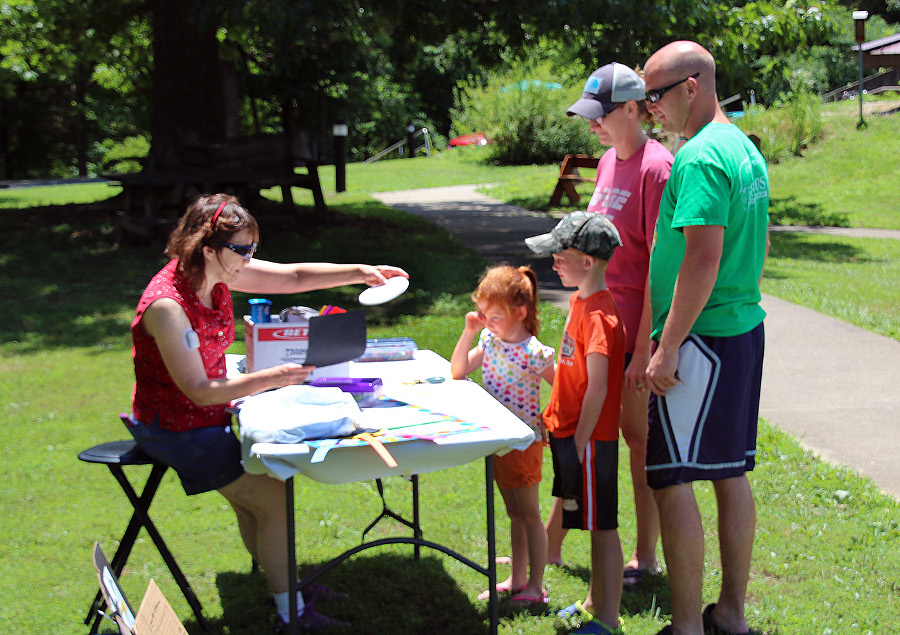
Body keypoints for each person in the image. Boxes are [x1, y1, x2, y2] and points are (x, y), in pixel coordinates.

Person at [126, 193, 408, 632]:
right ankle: (293, 615)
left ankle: (289, 589)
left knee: (256, 503)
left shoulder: (217, 272)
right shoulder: (168, 307)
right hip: (175, 429)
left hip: (204, 420)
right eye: (243, 249)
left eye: (253, 248)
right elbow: (199, 391)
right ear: (207, 248)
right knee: (273, 498)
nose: (250, 259)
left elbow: (293, 276)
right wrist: (272, 378)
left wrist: (361, 272)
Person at [642, 41, 769, 635]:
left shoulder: (697, 157)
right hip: (740, 332)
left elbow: (702, 257)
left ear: (691, 87)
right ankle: (732, 616)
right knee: (729, 473)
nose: (651, 108)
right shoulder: (743, 148)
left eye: (656, 95)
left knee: (671, 480)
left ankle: (688, 626)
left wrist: (667, 346)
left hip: (700, 343)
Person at [546, 61, 672, 585]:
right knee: (578, 429)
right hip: (593, 325)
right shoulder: (604, 163)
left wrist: (645, 349)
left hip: (631, 332)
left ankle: (645, 557)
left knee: (637, 442)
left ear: (633, 108)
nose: (593, 124)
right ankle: (550, 548)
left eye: (601, 114)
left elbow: (662, 265)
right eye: (589, 116)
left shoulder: (656, 168)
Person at [525, 212, 626, 635]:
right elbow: (575, 374)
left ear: (587, 261)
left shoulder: (600, 316)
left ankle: (608, 618)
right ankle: (592, 603)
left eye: (559, 256)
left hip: (591, 441)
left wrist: (582, 440)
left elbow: (598, 388)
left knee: (602, 529)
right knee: (585, 521)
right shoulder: (580, 301)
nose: (553, 263)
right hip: (570, 434)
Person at [450, 265, 556, 605]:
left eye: (493, 316)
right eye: (483, 315)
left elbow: (566, 389)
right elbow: (458, 371)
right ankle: (517, 578)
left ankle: (536, 587)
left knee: (530, 515)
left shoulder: (534, 352)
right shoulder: (489, 341)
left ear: (519, 312)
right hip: (498, 441)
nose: (487, 322)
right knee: (514, 514)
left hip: (524, 444)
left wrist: (551, 419)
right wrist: (469, 331)